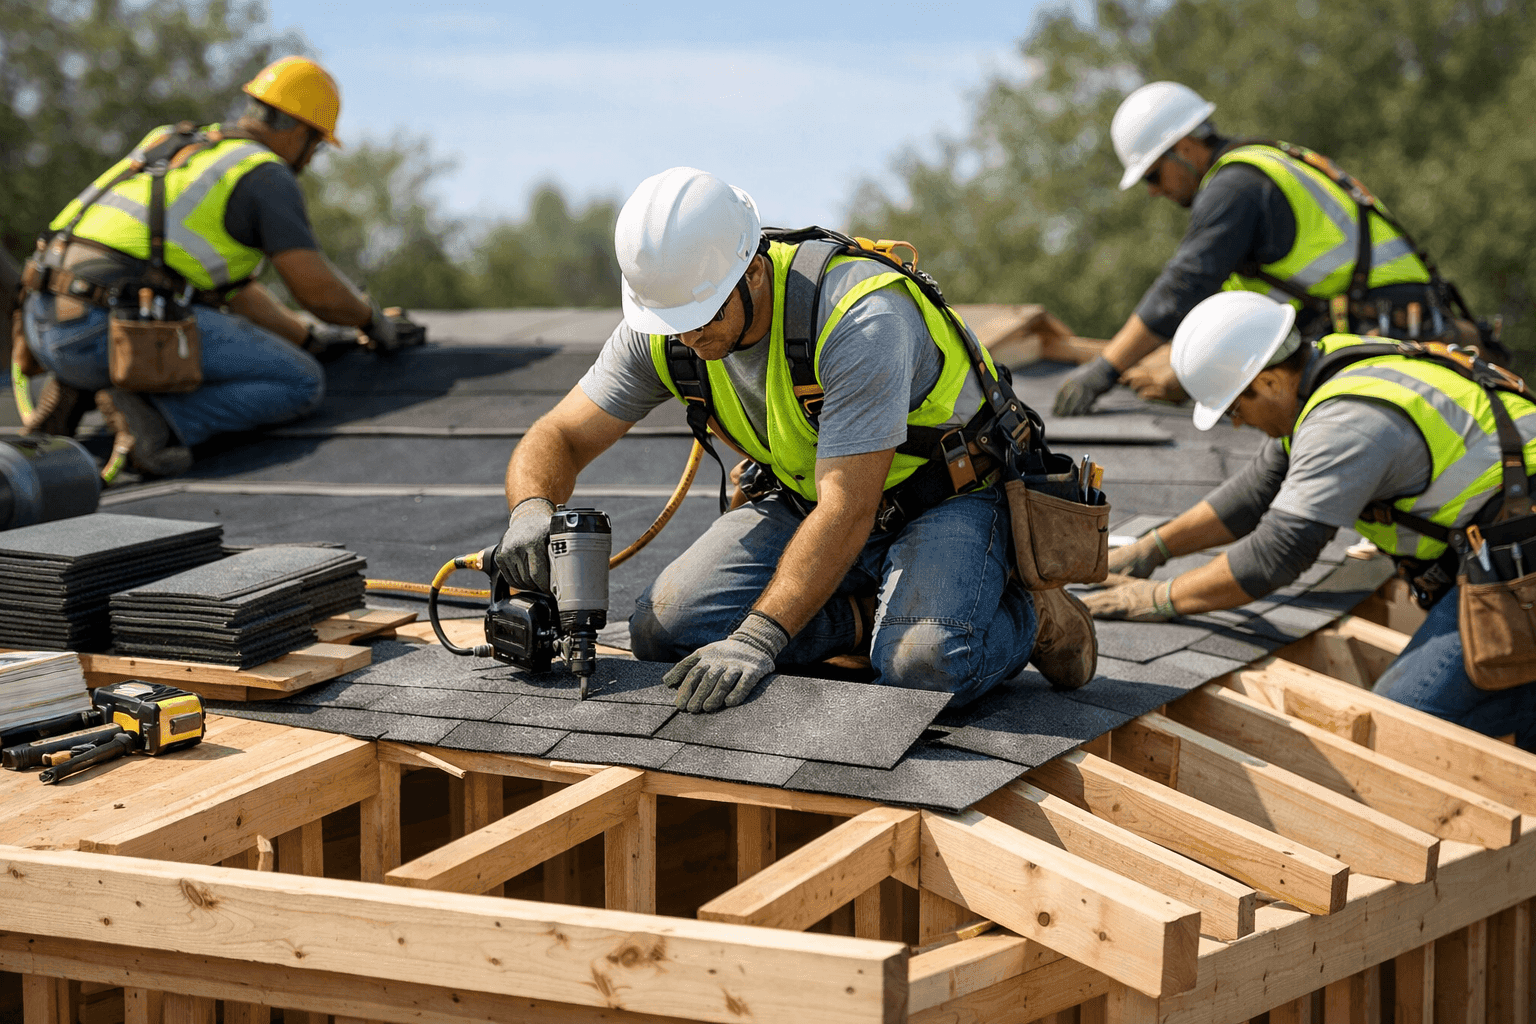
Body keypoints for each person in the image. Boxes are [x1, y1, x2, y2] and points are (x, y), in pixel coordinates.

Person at [498, 167, 1096, 713]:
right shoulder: (666, 324)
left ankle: (1023, 611)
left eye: (703, 316)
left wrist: (758, 640)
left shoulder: (858, 318)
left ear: (753, 270)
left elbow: (848, 505)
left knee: (923, 670)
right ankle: (864, 617)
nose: (688, 337)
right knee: (666, 632)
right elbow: (559, 436)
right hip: (810, 500)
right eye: (674, 322)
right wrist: (531, 508)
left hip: (946, 498)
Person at [1084, 290, 1536, 748]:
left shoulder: (1345, 423)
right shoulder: (1330, 367)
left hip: (1521, 557)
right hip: (1511, 548)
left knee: (1399, 731)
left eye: (1237, 407)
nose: (1237, 423)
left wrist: (1161, 598)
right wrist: (1151, 549)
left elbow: (1279, 553)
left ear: (1272, 382)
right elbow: (1255, 492)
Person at [17, 55, 398, 476]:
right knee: (299, 382)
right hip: (104, 331)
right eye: (317, 144)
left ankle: (82, 385)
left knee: (210, 326)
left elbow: (235, 293)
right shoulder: (265, 174)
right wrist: (370, 320)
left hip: (43, 320)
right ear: (297, 130)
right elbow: (316, 290)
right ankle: (155, 422)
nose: (310, 159)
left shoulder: (177, 143)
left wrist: (307, 337)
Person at [1054, 80, 1444, 417]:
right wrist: (1185, 368)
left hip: (1383, 331)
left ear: (1185, 148)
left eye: (1153, 175)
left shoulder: (1234, 189)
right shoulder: (1257, 165)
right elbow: (1235, 311)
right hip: (1387, 324)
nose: (1154, 191)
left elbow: (1181, 288)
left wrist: (1104, 369)